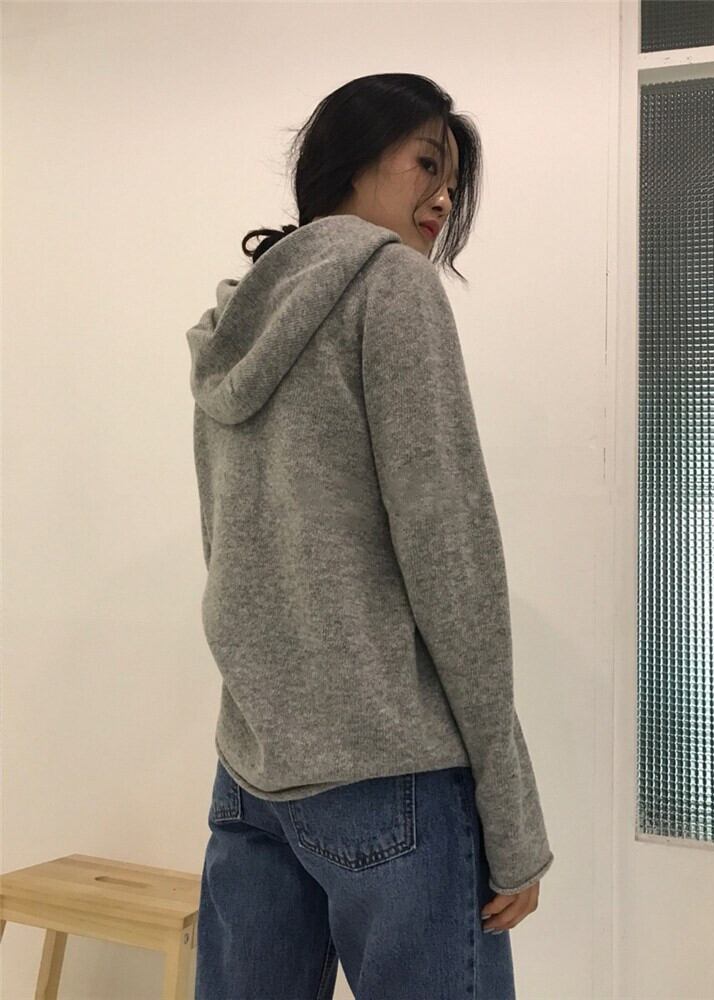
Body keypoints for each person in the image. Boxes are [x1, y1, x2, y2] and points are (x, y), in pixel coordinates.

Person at [186, 72, 554, 1000]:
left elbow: (224, 546)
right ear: (352, 157)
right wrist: (512, 817)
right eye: (428, 163)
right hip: (393, 779)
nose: (443, 197)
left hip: (253, 773)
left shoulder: (234, 321)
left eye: (453, 183)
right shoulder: (393, 285)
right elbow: (451, 559)